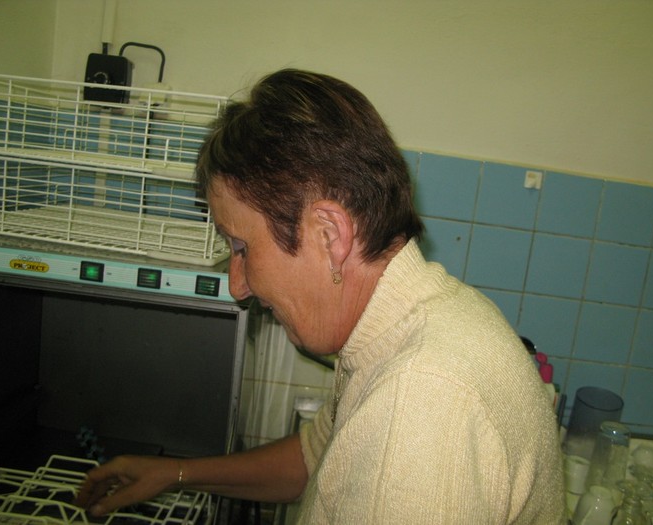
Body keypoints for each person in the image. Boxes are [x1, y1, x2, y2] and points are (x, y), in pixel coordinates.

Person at [74, 69, 566, 524]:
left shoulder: (422, 399)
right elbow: (315, 458)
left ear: (329, 235)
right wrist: (174, 473)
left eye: (241, 248)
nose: (237, 285)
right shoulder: (404, 327)